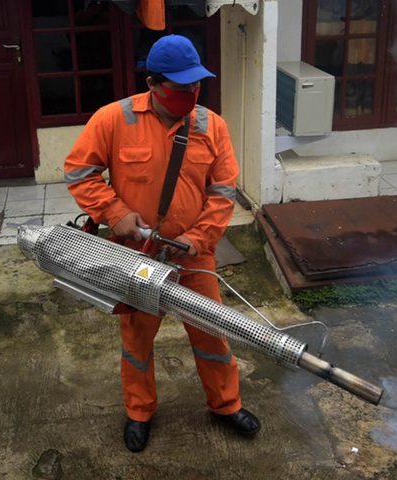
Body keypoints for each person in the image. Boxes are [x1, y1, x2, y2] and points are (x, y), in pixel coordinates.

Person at [64, 34, 260, 453]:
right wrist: (115, 212)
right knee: (137, 340)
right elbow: (79, 172)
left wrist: (198, 238)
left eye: (196, 84)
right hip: (138, 256)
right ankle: (139, 412)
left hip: (193, 255)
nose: (191, 93)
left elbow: (223, 191)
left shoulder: (211, 125)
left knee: (212, 334)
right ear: (152, 83)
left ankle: (226, 405)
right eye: (181, 86)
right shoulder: (113, 119)